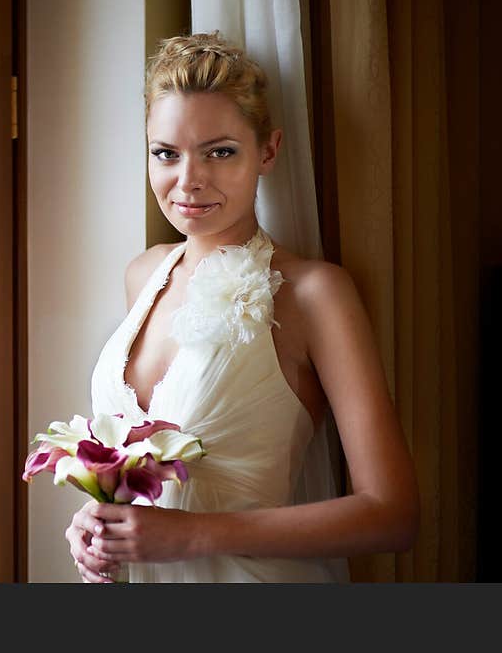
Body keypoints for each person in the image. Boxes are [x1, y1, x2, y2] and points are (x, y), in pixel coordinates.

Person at [65, 32, 420, 583]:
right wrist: (98, 521)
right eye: (166, 153)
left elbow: (393, 516)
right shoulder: (143, 274)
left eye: (220, 151)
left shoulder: (313, 294)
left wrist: (191, 535)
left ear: (269, 151)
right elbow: (145, 465)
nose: (188, 181)